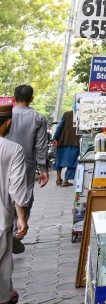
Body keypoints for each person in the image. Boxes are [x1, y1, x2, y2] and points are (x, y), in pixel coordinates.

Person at [6, 86, 47, 255]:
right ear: (32, 98)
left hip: (4, 160)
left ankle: (6, 232)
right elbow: (41, 145)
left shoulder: (6, 115)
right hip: (26, 163)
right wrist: (43, 168)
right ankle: (17, 232)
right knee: (24, 196)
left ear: (13, 98)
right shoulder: (38, 118)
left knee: (4, 195)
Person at [0, 103, 30, 304]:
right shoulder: (12, 149)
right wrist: (22, 218)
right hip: (1, 216)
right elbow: (16, 188)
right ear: (8, 122)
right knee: (2, 261)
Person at [51, 109, 79, 186]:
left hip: (63, 140)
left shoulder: (67, 114)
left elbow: (60, 127)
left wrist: (55, 138)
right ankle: (66, 180)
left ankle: (58, 179)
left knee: (59, 160)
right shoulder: (83, 115)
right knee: (72, 162)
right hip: (75, 142)